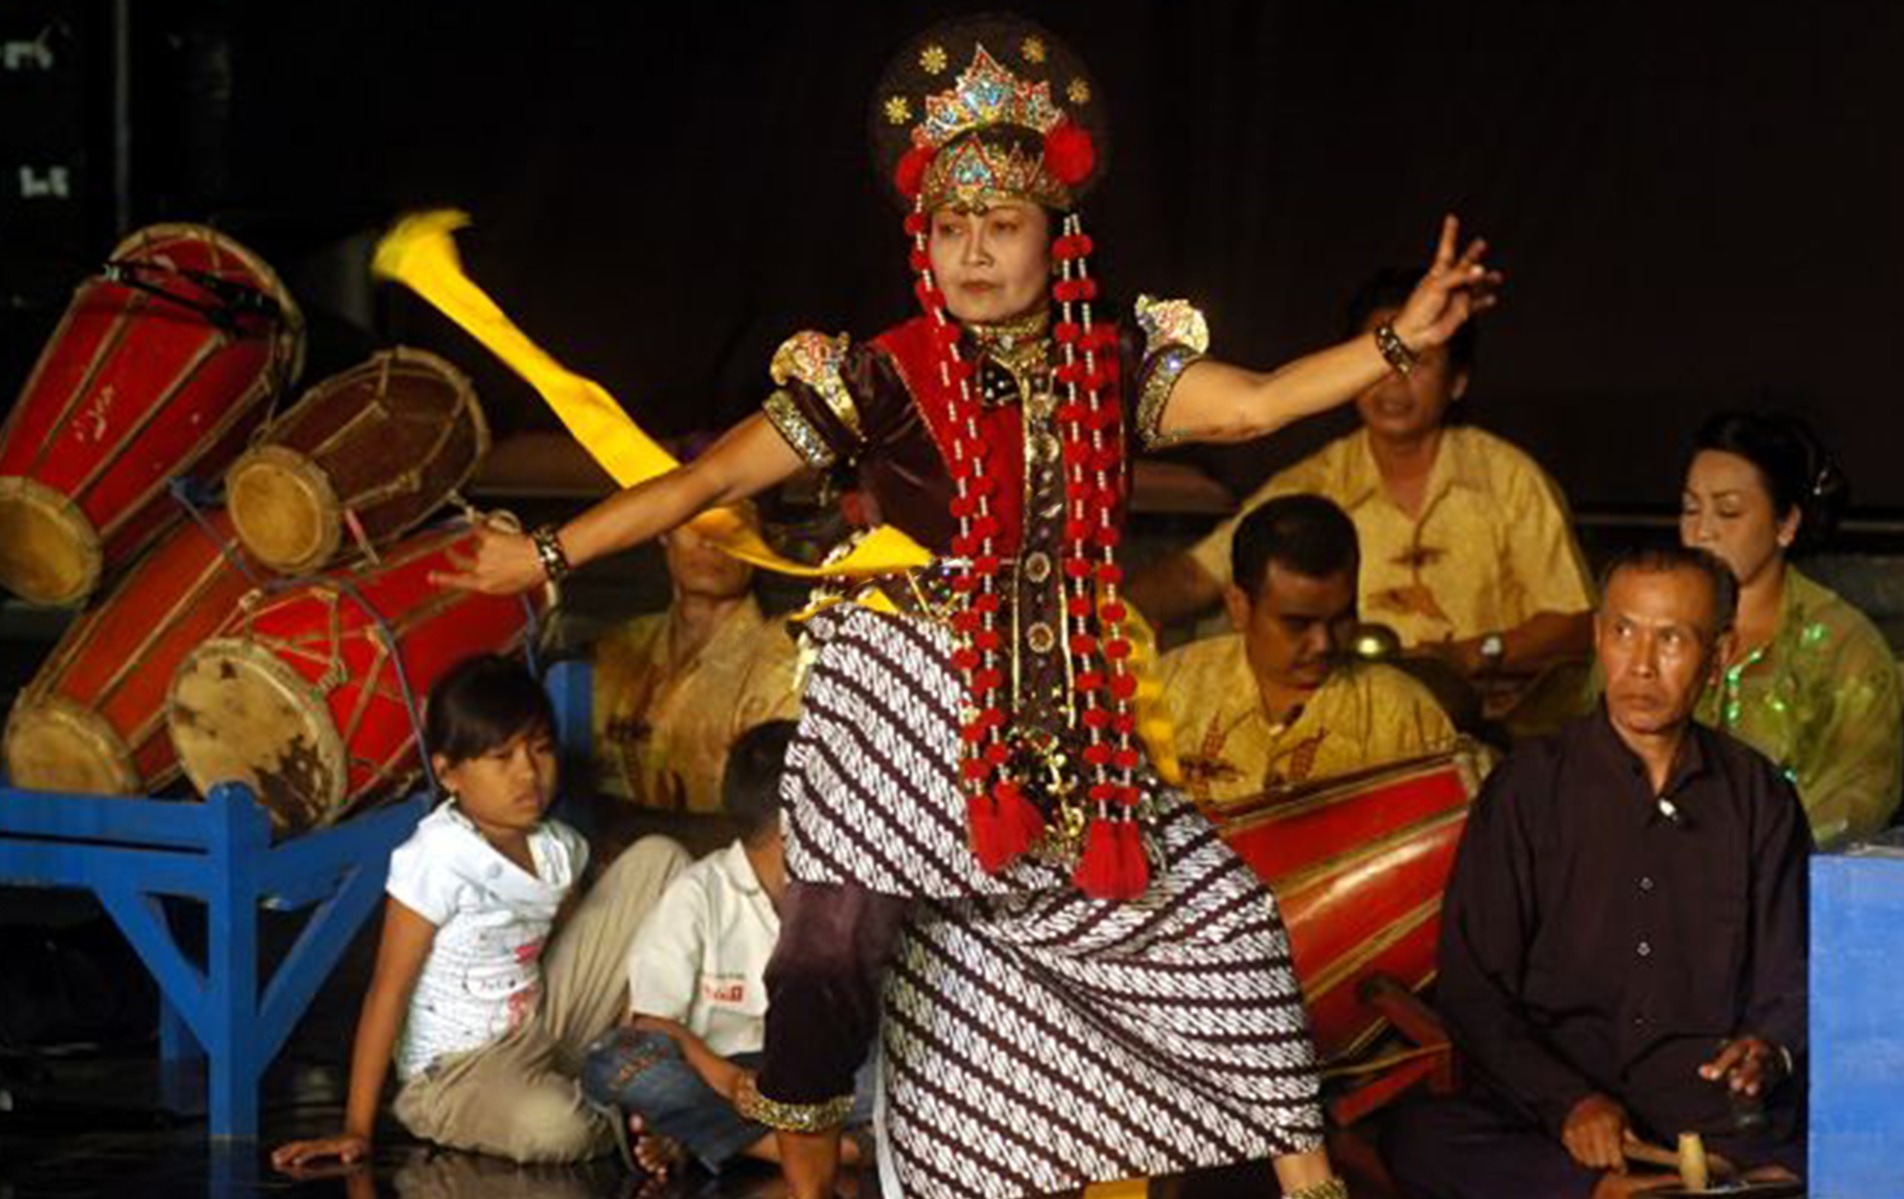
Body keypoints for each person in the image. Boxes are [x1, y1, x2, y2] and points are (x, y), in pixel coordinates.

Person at [430, 16, 1498, 1199]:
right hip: (900, 695)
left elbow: (1255, 403)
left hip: (1052, 715)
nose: (974, 252)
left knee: (1226, 922)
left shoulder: (1108, 364)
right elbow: (704, 480)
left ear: (1056, 233)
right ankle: (809, 1183)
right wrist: (551, 550)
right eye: (951, 228)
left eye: (1000, 224)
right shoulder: (879, 375)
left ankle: (1303, 1182)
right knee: (828, 957)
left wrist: (1396, 341)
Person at [1382, 546, 1810, 1199]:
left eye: (1671, 639)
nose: (1641, 664)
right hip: (1558, 1112)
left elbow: (1795, 967)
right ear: (1597, 637)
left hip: (1707, 1107)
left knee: (1850, 1141)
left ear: (1719, 653)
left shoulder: (1758, 796)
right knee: (1420, 1136)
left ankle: (1658, 1183)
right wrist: (1568, 1101)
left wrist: (1767, 1047)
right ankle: (1622, 1188)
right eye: (1623, 632)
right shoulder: (1528, 787)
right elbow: (1474, 989)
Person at [270, 655, 689, 1169]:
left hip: (540, 1027)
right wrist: (356, 1128)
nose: (528, 773)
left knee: (662, 859)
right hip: (457, 1075)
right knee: (558, 1127)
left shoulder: (558, 847)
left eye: (540, 749)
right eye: (502, 756)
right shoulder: (438, 857)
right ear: (448, 773)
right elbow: (387, 990)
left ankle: (625, 1071)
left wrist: (614, 1006)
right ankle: (636, 1106)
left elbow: (576, 948)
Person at [1127, 268, 1592, 732]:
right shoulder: (1316, 481)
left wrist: (1473, 654)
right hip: (1343, 733)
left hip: (1482, 729)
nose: (1395, 382)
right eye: (1383, 360)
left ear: (1458, 380)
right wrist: (1106, 616)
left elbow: (1578, 624)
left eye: (1419, 361)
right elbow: (1195, 576)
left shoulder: (1509, 479)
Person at [580, 720, 875, 1178]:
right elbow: (650, 1023)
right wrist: (727, 1078)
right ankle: (823, 1151)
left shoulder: (845, 900)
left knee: (896, 1071)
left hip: (810, 1076)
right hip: (717, 1076)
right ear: (797, 823)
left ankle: (704, 1138)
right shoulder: (699, 893)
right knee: (612, 1060)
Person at [1680, 411, 1904, 846]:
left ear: (1785, 525)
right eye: (1690, 509)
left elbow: (1862, 795)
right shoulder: (1654, 624)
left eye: (1728, 511)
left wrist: (1764, 850)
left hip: (1788, 872)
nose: (1702, 530)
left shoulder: (1844, 645)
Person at [1158, 494, 1457, 806]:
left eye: (1341, 619)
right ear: (1239, 607)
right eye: (1297, 623)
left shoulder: (1401, 714)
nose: (1323, 643)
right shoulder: (1172, 687)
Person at [592, 506, 800, 812]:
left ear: (765, 540)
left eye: (733, 524)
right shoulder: (618, 650)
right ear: (664, 530)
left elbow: (770, 818)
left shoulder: (788, 664)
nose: (710, 541)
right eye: (695, 521)